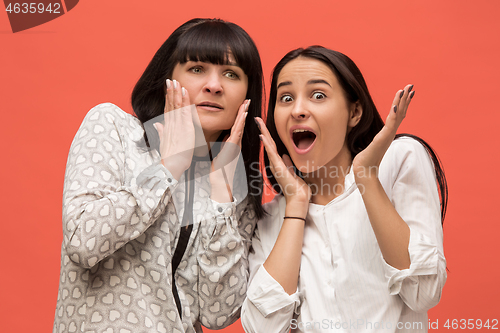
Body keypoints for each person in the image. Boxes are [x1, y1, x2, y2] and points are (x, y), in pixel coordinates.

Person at [53, 18, 265, 333]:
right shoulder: (114, 128)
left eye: (231, 74)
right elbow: (83, 241)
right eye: (197, 69)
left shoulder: (235, 190)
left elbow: (218, 314)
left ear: (247, 97)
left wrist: (222, 196)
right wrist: (167, 169)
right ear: (167, 78)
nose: (214, 85)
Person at [241, 46, 448, 333]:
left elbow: (424, 292)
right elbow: (263, 328)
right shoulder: (273, 216)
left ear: (355, 112)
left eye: (318, 95)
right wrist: (297, 207)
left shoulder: (399, 161)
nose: (298, 109)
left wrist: (366, 178)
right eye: (286, 98)